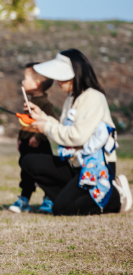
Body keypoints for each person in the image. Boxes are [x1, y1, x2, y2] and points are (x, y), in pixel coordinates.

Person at [22, 49, 133, 215]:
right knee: (29, 162)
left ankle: (116, 196)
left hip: (96, 167)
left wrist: (45, 127)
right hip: (74, 164)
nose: (58, 81)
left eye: (61, 76)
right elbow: (64, 129)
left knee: (62, 209)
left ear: (75, 75)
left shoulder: (93, 97)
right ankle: (70, 198)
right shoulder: (71, 98)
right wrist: (42, 117)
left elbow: (76, 136)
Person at [9, 62, 58, 214]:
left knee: (44, 174)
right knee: (26, 173)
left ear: (37, 84)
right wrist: (20, 139)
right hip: (26, 145)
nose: (22, 82)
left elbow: (50, 123)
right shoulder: (29, 103)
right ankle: (24, 199)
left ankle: (49, 199)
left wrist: (38, 137)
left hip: (39, 146)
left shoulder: (45, 104)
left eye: (25, 78)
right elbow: (26, 124)